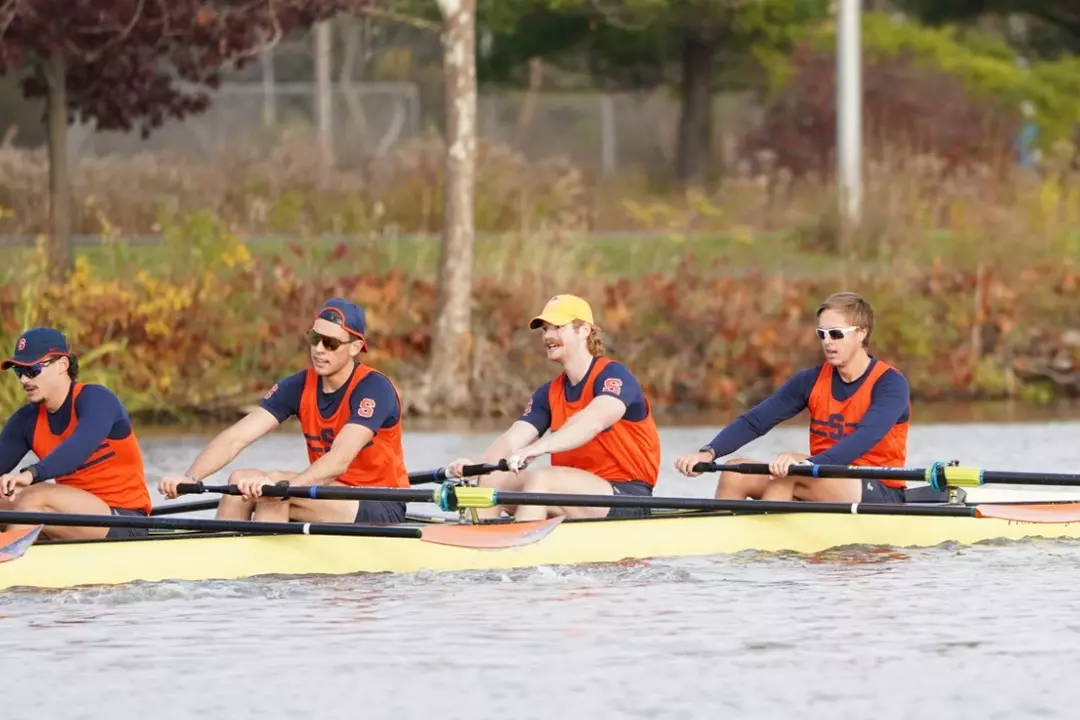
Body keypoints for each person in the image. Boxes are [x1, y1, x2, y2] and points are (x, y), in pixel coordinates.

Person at [158, 298, 409, 524]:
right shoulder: (298, 385)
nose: (319, 349)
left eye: (330, 343)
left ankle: (264, 558)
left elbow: (339, 460)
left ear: (355, 347)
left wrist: (285, 488)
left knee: (273, 491)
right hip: (328, 491)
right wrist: (191, 477)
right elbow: (236, 438)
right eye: (315, 338)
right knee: (238, 481)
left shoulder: (373, 388)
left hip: (379, 502)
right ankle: (223, 553)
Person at [674, 292, 910, 503]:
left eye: (836, 334)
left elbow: (863, 438)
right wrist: (709, 452)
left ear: (861, 333)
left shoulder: (890, 384)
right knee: (734, 472)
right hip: (818, 475)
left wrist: (807, 465)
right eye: (822, 334)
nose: (827, 342)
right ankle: (725, 534)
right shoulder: (810, 380)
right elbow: (755, 421)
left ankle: (765, 535)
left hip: (878, 488)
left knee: (790, 472)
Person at [448, 294, 660, 522]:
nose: (548, 336)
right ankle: (477, 539)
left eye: (558, 327)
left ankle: (522, 542)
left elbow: (593, 421)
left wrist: (539, 447)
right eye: (545, 329)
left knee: (542, 480)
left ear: (584, 330)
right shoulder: (549, 393)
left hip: (626, 496)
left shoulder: (615, 376)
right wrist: (477, 467)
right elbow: (512, 439)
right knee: (492, 478)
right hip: (573, 490)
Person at [0, 327, 151, 540]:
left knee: (35, 495)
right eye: (19, 372)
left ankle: (7, 553)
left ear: (62, 365)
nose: (24, 379)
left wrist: (30, 474)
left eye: (33, 369)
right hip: (73, 515)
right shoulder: (26, 420)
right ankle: (12, 546)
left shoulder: (97, 400)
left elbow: (79, 447)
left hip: (124, 520)